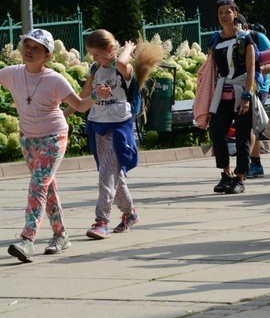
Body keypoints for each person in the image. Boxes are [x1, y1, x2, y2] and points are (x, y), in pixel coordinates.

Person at [2, 29, 98, 262]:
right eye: (27, 45)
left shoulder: (55, 79)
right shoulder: (11, 74)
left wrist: (96, 94)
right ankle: (61, 235)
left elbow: (79, 105)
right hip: (28, 139)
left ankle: (27, 240)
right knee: (47, 187)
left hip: (54, 137)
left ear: (47, 55)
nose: (29, 51)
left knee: (38, 185)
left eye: (36, 48)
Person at [73, 29, 163, 239]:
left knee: (106, 175)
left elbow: (122, 64)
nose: (93, 59)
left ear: (110, 50)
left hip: (118, 127)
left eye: (96, 54)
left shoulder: (124, 69)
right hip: (97, 125)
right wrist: (61, 115)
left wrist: (128, 49)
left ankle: (101, 221)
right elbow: (82, 99)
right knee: (113, 175)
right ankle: (129, 213)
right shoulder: (95, 69)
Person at [207, 0, 256, 195]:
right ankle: (226, 173)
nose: (224, 16)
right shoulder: (214, 39)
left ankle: (240, 177)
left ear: (235, 14)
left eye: (228, 12)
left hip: (240, 91)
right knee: (217, 133)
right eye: (221, 13)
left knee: (242, 136)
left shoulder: (245, 38)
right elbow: (210, 67)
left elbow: (251, 70)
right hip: (222, 92)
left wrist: (246, 95)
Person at [236, 14, 270, 178]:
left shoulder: (258, 37)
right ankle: (255, 164)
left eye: (237, 26)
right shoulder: (227, 40)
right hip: (239, 87)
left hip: (259, 86)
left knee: (251, 125)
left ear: (245, 27)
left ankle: (250, 164)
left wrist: (256, 71)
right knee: (250, 125)